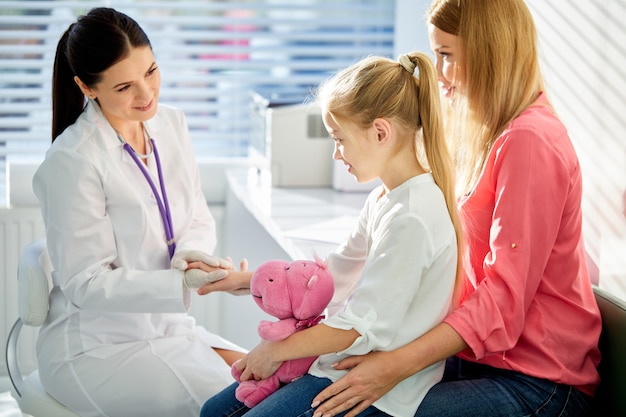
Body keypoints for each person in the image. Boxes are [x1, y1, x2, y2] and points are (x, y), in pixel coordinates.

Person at [303, 1, 603, 417]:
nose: (438, 74)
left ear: (489, 51)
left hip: (538, 383)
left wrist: (394, 365)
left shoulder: (530, 141)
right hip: (477, 361)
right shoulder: (480, 129)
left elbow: (503, 298)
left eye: (446, 55)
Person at [198, 51, 463, 417]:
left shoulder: (412, 217)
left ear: (380, 132)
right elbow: (332, 278)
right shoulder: (385, 197)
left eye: (339, 139)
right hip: (337, 363)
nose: (337, 154)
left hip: (372, 388)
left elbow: (360, 327)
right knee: (214, 411)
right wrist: (248, 280)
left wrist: (274, 350)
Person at [32, 7, 246, 417]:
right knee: (239, 402)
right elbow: (85, 283)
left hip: (168, 328)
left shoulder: (171, 125)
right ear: (87, 87)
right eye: (125, 86)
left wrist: (193, 257)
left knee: (276, 382)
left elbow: (196, 214)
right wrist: (178, 282)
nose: (147, 95)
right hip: (96, 349)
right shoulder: (73, 161)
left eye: (151, 72)